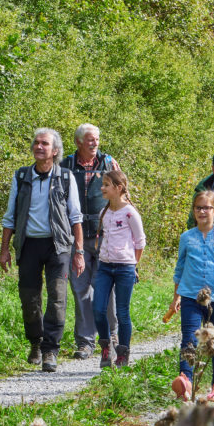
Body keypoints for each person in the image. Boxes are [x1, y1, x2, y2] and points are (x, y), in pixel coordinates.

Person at [0, 128, 86, 373]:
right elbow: (10, 217)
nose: (39, 147)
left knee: (57, 298)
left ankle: (50, 350)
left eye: (44, 144)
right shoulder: (21, 176)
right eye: (36, 143)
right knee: (29, 299)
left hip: (57, 246)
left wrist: (78, 252)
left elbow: (75, 218)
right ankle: (36, 344)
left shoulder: (66, 178)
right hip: (28, 245)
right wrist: (5, 250)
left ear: (54, 151)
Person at [169, 190, 214, 402]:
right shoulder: (187, 237)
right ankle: (186, 381)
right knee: (189, 338)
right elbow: (179, 270)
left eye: (206, 207)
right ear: (193, 211)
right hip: (190, 296)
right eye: (198, 207)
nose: (202, 211)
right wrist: (176, 298)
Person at [61, 123, 121, 359]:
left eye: (96, 139)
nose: (94, 143)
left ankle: (112, 335)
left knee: (107, 288)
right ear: (78, 142)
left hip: (104, 235)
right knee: (80, 289)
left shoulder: (109, 163)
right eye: (89, 140)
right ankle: (85, 342)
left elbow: (122, 196)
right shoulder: (65, 165)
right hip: (75, 237)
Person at [92, 170, 146, 369]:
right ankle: (106, 347)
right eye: (103, 184)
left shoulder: (131, 213)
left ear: (119, 188)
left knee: (122, 312)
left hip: (125, 267)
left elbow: (140, 242)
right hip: (105, 266)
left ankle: (123, 353)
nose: (102, 188)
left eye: (106, 185)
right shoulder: (104, 212)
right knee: (98, 309)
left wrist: (134, 265)